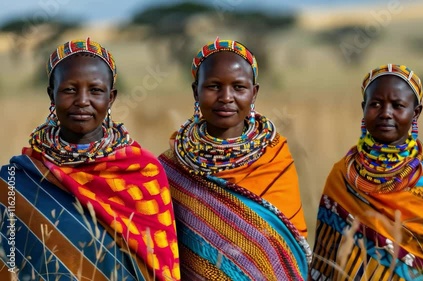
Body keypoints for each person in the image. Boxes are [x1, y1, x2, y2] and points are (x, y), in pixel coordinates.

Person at [0, 38, 180, 281]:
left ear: (111, 97)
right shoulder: (15, 179)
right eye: (69, 90)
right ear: (51, 95)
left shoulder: (143, 173)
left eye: (95, 90)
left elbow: (162, 266)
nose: (82, 100)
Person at [158, 37, 311, 280]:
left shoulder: (274, 158)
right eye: (213, 86)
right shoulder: (172, 169)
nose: (226, 97)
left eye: (238, 87)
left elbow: (289, 252)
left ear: (254, 92)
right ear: (195, 91)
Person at [309, 64, 423, 281]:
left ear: (416, 113)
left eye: (398, 105)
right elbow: (326, 262)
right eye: (375, 104)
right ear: (364, 108)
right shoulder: (343, 174)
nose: (386, 113)